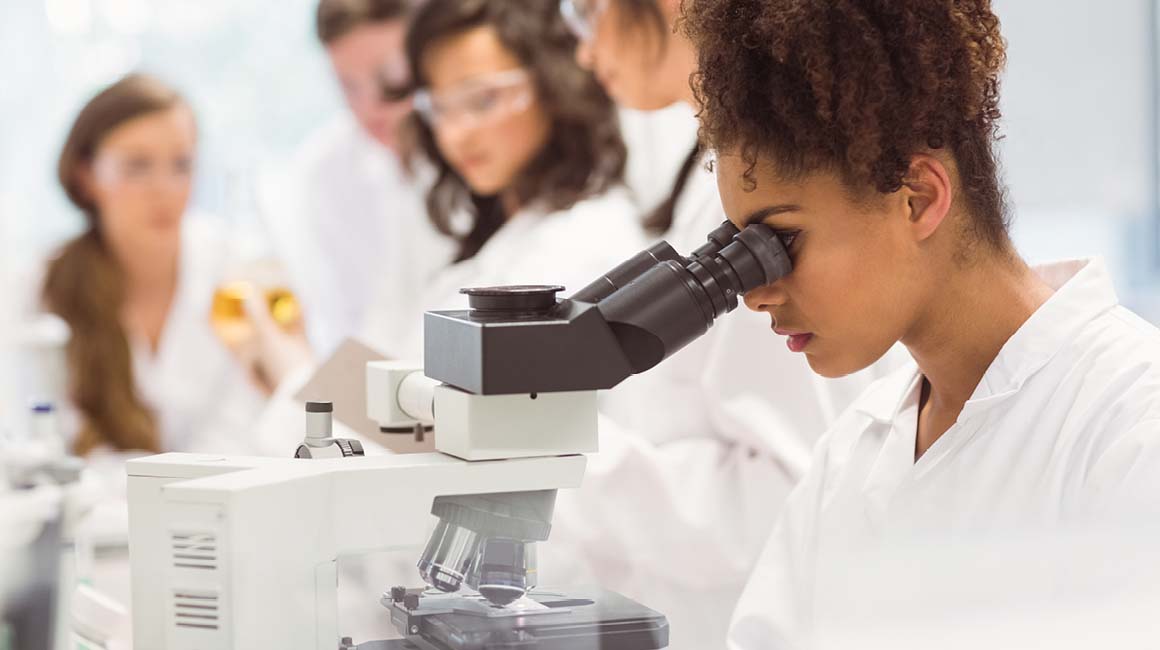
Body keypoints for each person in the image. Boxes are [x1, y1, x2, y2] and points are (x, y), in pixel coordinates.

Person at [678, 0, 1160, 647]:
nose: (755, 294)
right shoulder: (853, 453)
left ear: (920, 198)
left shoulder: (1129, 425)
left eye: (780, 240)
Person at [512, 3, 898, 648]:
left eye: (588, 12)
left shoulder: (761, 194)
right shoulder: (709, 175)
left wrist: (553, 463)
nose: (582, 51)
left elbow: (784, 493)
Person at [362, 0, 645, 357]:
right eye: (440, 107)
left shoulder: (588, 240)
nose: (453, 135)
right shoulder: (486, 232)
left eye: (482, 101)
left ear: (551, 82)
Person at [38, 73, 266, 457]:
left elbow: (246, 426)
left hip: (223, 501)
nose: (165, 188)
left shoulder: (233, 269)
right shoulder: (44, 289)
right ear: (86, 176)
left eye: (181, 165)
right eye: (138, 166)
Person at [257, 0, 454, 360]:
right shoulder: (323, 173)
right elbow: (339, 331)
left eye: (391, 78)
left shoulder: (475, 151)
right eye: (348, 86)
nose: (370, 106)